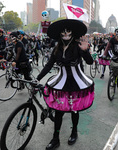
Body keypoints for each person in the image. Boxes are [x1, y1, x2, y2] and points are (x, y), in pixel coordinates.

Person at [36, 19, 95, 150]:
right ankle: (55, 138)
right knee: (58, 111)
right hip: (61, 84)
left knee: (74, 110)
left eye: (68, 31)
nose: (66, 34)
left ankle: (74, 132)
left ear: (72, 33)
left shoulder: (78, 46)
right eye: (63, 32)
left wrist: (85, 51)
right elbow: (49, 65)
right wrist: (38, 78)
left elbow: (90, 62)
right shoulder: (57, 49)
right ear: (60, 34)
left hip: (76, 84)